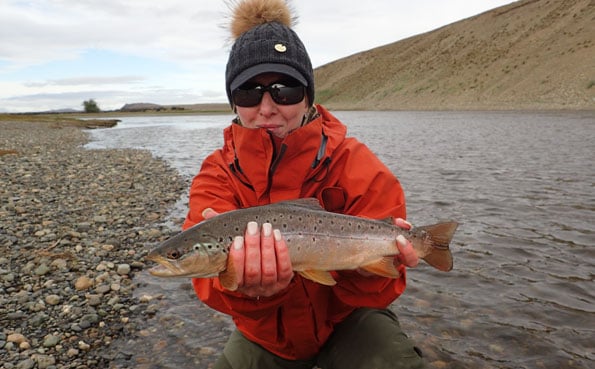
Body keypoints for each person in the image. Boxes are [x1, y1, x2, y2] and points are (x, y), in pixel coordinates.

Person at [182, 0, 427, 368]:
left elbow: (383, 290)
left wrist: (367, 267)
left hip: (349, 320)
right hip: (265, 335)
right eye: (249, 92)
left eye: (285, 90)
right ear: (234, 102)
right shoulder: (216, 174)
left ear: (308, 95)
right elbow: (207, 286)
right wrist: (251, 292)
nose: (266, 108)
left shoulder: (355, 162)